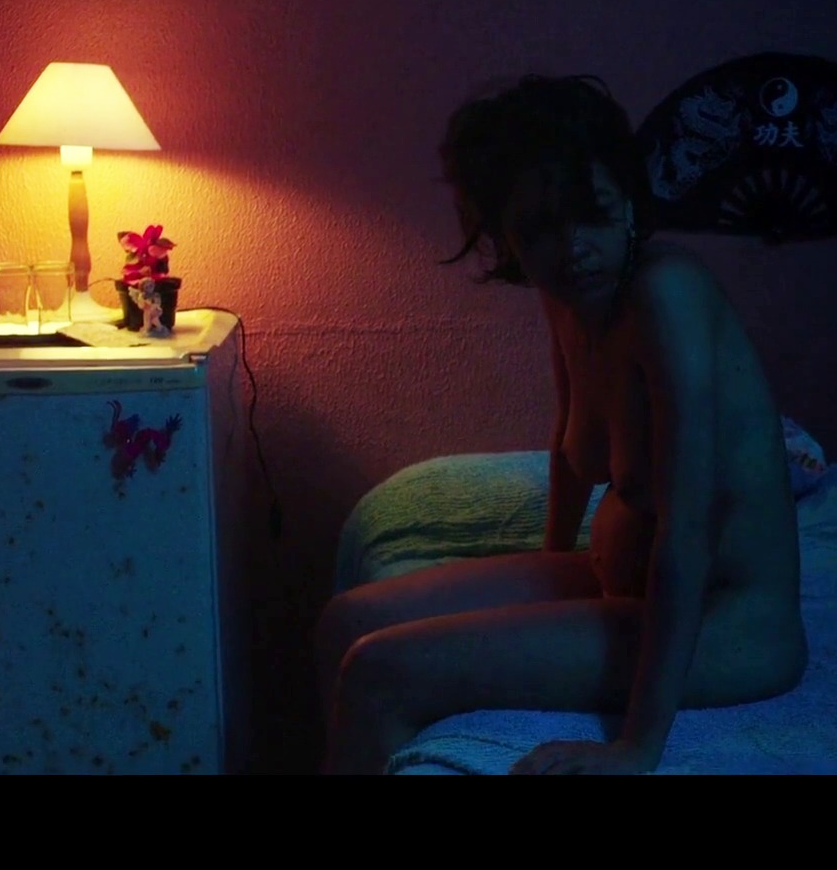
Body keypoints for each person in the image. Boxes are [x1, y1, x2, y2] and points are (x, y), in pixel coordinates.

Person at [313, 73, 809, 775]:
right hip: (627, 587)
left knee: (379, 671)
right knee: (345, 622)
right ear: (507, 239)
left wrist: (636, 748)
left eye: (592, 214)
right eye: (539, 230)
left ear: (628, 204)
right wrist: (551, 573)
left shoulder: (665, 295)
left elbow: (687, 537)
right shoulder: (569, 295)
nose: (573, 247)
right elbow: (571, 449)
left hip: (725, 624)